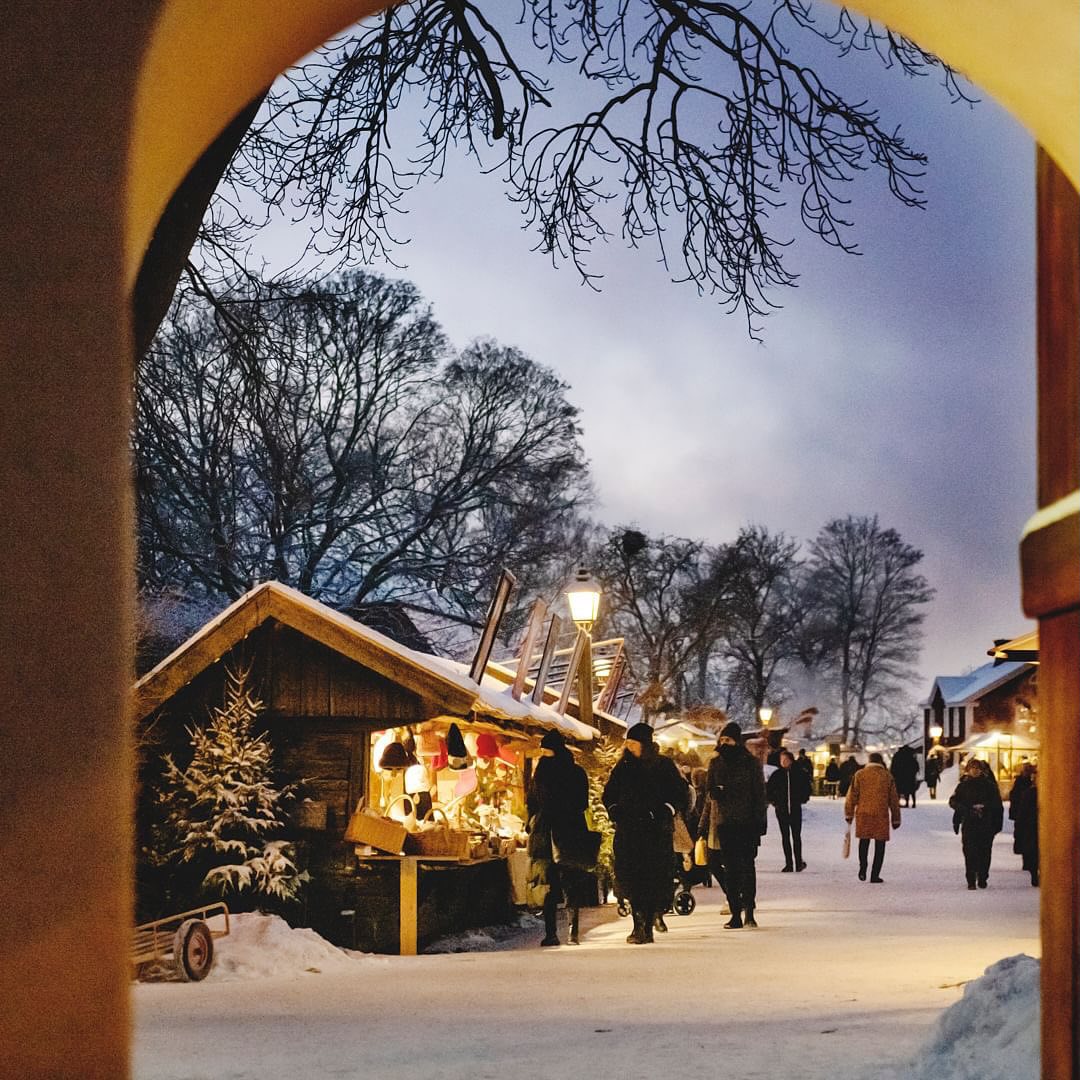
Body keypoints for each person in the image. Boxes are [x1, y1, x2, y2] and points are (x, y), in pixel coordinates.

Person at [602, 722, 689, 944]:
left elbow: (680, 793)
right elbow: (609, 793)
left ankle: (647, 924)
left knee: (653, 878)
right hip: (629, 831)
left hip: (655, 832)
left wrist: (666, 810)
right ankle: (638, 924)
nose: (629, 748)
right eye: (628, 744)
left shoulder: (663, 766)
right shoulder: (622, 768)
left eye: (633, 744)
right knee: (631, 878)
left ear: (645, 744)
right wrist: (614, 810)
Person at [526, 730, 591, 946]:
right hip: (567, 829)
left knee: (552, 883)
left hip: (552, 830)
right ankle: (568, 932)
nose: (543, 754)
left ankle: (554, 933)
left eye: (546, 750)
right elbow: (582, 803)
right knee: (566, 881)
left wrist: (534, 821)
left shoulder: (542, 773)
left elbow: (532, 801)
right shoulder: (576, 772)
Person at [706, 721, 767, 928]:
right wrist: (716, 792)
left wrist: (760, 822)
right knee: (731, 870)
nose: (724, 744)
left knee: (747, 868)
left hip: (747, 823)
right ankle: (735, 914)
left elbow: (759, 794)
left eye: (728, 740)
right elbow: (709, 789)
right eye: (722, 740)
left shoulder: (750, 763)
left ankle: (749, 911)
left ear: (737, 741)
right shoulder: (716, 763)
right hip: (726, 823)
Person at [844, 751, 901, 883]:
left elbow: (851, 796)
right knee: (880, 845)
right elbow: (893, 799)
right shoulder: (887, 776)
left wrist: (849, 813)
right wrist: (896, 818)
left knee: (864, 842)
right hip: (881, 814)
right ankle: (875, 875)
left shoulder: (860, 775)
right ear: (881, 762)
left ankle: (863, 868)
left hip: (863, 814)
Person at [950, 758, 1004, 889]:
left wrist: (996, 823)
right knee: (969, 851)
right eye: (972, 768)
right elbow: (954, 802)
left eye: (977, 768)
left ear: (981, 770)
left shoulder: (989, 786)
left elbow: (998, 806)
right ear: (968, 770)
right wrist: (963, 812)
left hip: (986, 823)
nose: (975, 770)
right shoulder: (963, 786)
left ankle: (983, 876)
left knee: (984, 852)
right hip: (969, 823)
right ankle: (971, 879)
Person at [766, 749, 812, 872]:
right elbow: (769, 790)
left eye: (785, 760)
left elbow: (807, 788)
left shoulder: (799, 773)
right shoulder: (777, 775)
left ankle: (798, 862)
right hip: (782, 809)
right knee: (785, 836)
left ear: (790, 760)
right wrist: (774, 802)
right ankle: (789, 863)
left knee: (796, 836)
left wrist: (803, 799)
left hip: (795, 808)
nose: (783, 762)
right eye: (781, 760)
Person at [1009, 763, 1039, 886]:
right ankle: (1032, 871)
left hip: (1032, 825)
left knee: (1033, 849)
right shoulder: (1027, 792)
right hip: (1030, 825)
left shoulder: (1032, 792)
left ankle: (1033, 869)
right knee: (1032, 849)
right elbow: (1016, 800)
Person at [890, 744, 921, 808]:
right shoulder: (911, 756)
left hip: (899, 776)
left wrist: (893, 774)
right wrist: (914, 773)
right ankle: (912, 803)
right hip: (910, 776)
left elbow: (893, 767)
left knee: (898, 790)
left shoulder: (897, 755)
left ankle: (898, 803)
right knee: (910, 790)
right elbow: (916, 766)